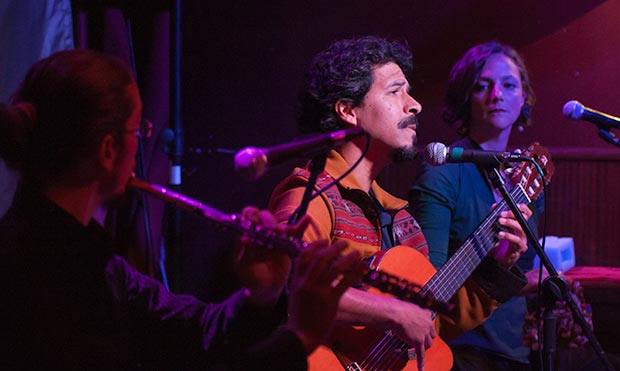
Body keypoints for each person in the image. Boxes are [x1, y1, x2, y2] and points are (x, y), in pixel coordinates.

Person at [0, 48, 363, 370]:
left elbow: (192, 332)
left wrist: (260, 295)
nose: (141, 144)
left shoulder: (89, 256)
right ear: (108, 150)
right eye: (138, 131)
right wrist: (300, 337)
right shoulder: (42, 270)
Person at [268, 35, 533, 371]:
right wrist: (394, 312)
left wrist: (498, 265)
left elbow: (431, 322)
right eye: (395, 91)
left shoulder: (400, 217)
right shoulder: (312, 195)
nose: (415, 105)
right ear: (349, 111)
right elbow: (293, 285)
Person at [409, 41, 543, 371]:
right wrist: (494, 265)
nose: (497, 95)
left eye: (509, 85)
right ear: (465, 97)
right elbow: (426, 286)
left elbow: (522, 270)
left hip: (514, 349)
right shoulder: (443, 173)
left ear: (523, 96)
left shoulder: (524, 176)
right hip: (461, 350)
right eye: (483, 86)